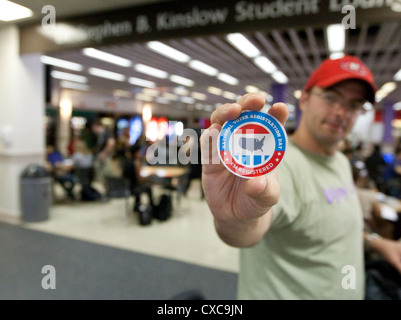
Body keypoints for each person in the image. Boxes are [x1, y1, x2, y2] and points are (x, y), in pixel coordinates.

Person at [200, 55, 401, 299]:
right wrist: (233, 219)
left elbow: (329, 228)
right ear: (304, 99)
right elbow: (249, 230)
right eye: (331, 97)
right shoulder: (278, 166)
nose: (341, 112)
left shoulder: (338, 160)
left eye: (354, 104)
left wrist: (377, 243)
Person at [122, 143, 155, 212]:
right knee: (148, 188)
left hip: (126, 187)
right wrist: (149, 177)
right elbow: (140, 179)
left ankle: (136, 206)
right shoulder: (136, 163)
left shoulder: (126, 162)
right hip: (133, 188)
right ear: (136, 152)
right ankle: (152, 208)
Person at [90, 119, 116, 184]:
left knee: (104, 174)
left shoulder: (105, 133)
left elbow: (111, 142)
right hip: (101, 157)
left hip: (104, 158)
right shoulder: (100, 135)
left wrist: (104, 153)